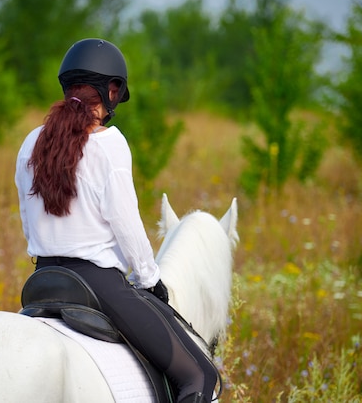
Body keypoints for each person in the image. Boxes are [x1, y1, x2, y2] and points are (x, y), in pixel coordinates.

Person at [15, 38, 217, 403]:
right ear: (111, 90)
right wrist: (151, 280)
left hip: (41, 280)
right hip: (97, 284)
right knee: (200, 375)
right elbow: (127, 225)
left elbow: (28, 222)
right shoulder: (109, 143)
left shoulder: (31, 142)